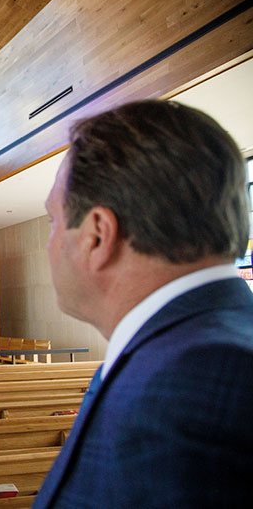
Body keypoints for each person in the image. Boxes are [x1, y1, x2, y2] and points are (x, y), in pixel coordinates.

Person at [33, 100, 253, 508]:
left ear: (97, 235)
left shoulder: (195, 383)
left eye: (53, 221)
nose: (49, 244)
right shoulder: (195, 345)